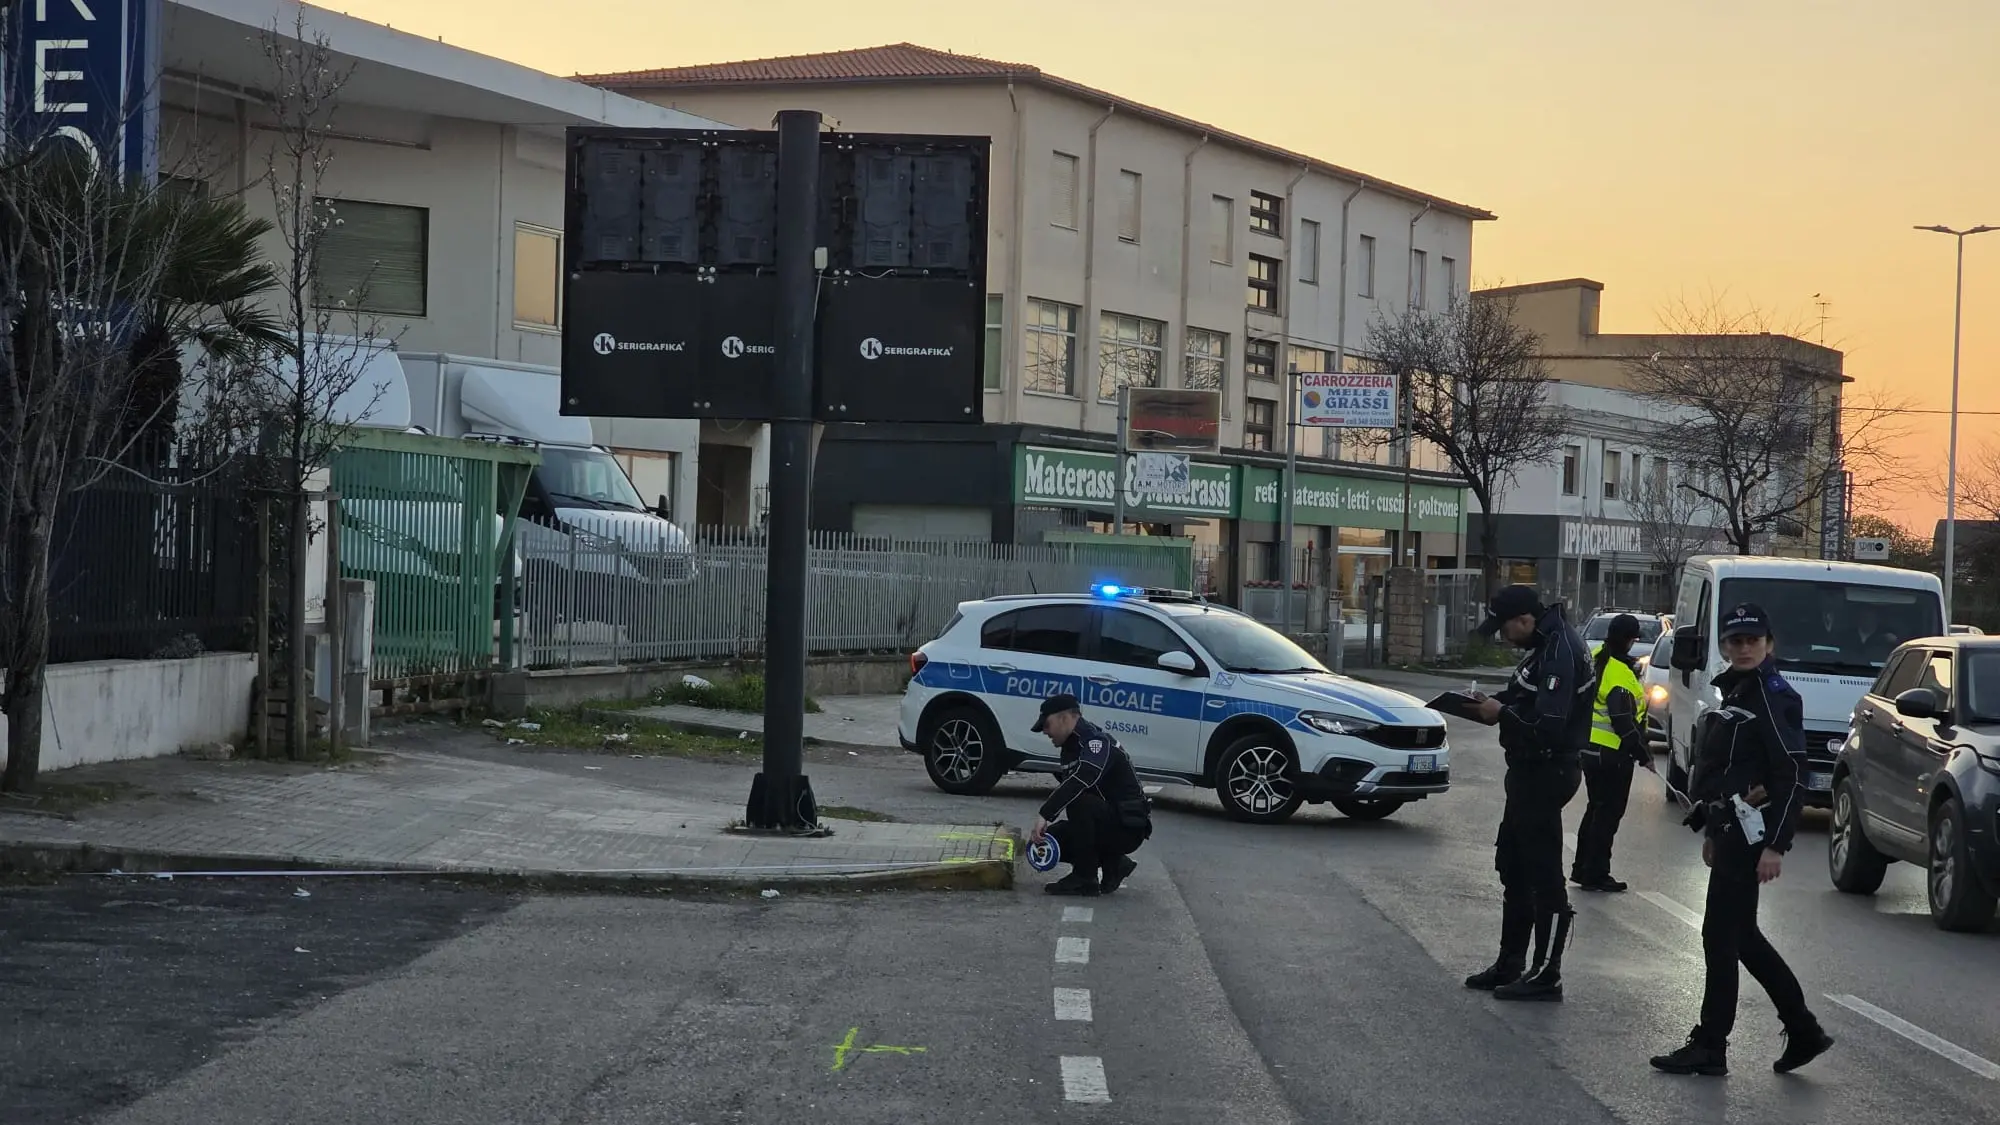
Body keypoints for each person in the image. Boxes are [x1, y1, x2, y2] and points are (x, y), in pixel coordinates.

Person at [1650, 603, 1835, 1077]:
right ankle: (1804, 1030)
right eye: (1736, 641)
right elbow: (1725, 769)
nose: (1745, 648)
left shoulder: (1773, 697)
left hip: (1753, 835)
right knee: (1743, 938)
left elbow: (1791, 774)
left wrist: (1776, 845)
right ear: (1725, 646)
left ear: (1769, 644)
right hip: (1731, 830)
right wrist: (1713, 831)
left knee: (1720, 938)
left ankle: (1711, 1046)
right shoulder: (1737, 690)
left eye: (1753, 640)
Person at [1462, 584, 1594, 1002]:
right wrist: (1493, 704)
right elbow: (1528, 698)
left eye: (1504, 629)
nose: (1503, 638)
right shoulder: (1543, 644)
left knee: (1542, 875)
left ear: (1524, 619)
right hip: (1527, 771)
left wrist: (1502, 713)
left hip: (1547, 770)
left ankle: (1546, 974)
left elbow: (1549, 725)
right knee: (1514, 867)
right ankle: (1510, 963)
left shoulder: (1559, 652)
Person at [1026, 694, 1153, 897]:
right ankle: (1115, 863)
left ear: (1064, 718)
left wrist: (1045, 814)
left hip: (1128, 827)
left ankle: (1085, 877)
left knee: (1079, 802)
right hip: (1110, 821)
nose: (1045, 731)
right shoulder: (1070, 747)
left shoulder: (1095, 741)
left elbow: (1083, 778)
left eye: (1047, 725)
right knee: (1050, 839)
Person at [1571, 613, 1655, 893]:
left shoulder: (1595, 658)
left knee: (1595, 809)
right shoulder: (1619, 674)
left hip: (1589, 749)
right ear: (1631, 641)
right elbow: (1623, 723)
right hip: (1612, 755)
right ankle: (1596, 873)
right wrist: (1643, 755)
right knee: (1608, 816)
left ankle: (1582, 868)